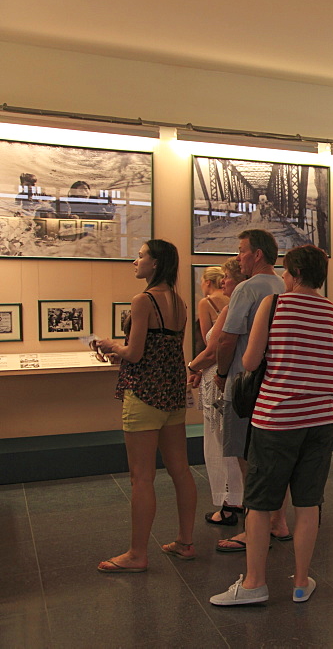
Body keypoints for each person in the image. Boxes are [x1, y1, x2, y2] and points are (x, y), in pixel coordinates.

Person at [210, 244, 333, 606]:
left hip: (276, 418)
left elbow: (250, 357)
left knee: (260, 503)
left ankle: (255, 583)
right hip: (322, 419)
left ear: (292, 273)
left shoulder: (275, 305)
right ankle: (301, 582)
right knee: (308, 504)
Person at [92, 239, 197, 572]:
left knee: (141, 478)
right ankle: (185, 541)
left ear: (156, 263)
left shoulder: (143, 301)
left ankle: (137, 554)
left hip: (144, 393)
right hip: (171, 393)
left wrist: (112, 345)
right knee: (180, 470)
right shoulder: (179, 303)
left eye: (140, 257)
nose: (135, 262)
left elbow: (135, 353)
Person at [212, 230, 289, 552]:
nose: (239, 257)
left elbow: (228, 338)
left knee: (247, 457)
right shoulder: (284, 286)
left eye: (241, 250)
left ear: (257, 254)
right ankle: (277, 520)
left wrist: (220, 372)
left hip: (245, 383)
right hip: (276, 383)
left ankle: (255, 527)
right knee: (271, 455)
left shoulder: (248, 288)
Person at [187, 259, 246, 526]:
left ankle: (230, 502)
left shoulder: (224, 306)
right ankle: (235, 499)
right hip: (224, 378)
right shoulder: (239, 305)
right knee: (229, 443)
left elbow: (212, 348)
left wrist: (193, 367)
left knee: (222, 444)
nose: (224, 283)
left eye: (227, 278)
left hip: (219, 380)